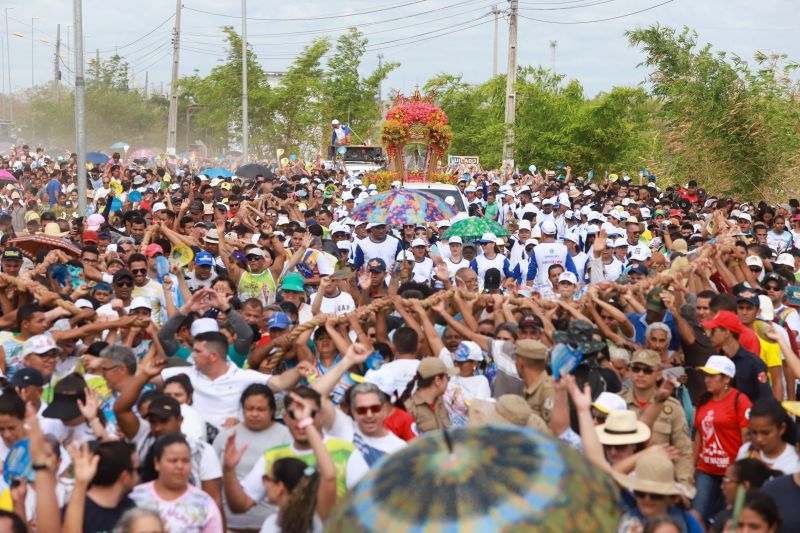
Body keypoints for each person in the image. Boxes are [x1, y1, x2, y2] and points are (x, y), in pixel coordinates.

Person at [212, 385, 292, 531]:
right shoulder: (225, 436)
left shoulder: (287, 436)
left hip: (272, 527)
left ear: (272, 410)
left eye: (260, 409)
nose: (254, 414)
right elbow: (212, 480)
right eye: (249, 409)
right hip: (228, 525)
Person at [693, 355, 753, 522]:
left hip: (732, 472)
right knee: (697, 516)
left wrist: (742, 471)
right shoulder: (703, 401)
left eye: (712, 376)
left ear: (727, 378)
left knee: (729, 519)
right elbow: (699, 435)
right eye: (706, 375)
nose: (707, 380)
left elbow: (747, 439)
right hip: (705, 470)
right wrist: (692, 465)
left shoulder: (740, 400)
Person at [130, 433, 223, 533]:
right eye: (173, 461)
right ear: (157, 463)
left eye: (185, 460)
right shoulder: (135, 497)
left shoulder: (204, 502)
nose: (180, 466)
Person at [62, 441, 140, 533]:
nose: (139, 476)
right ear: (125, 477)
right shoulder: (74, 512)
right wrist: (80, 483)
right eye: (138, 470)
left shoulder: (130, 507)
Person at [737, 398, 799, 475]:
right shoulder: (745, 451)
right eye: (754, 432)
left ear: (782, 428)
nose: (759, 439)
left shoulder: (795, 462)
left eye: (765, 433)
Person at [399, 357, 456, 434]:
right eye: (447, 378)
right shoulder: (410, 409)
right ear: (437, 380)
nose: (448, 382)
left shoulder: (439, 403)